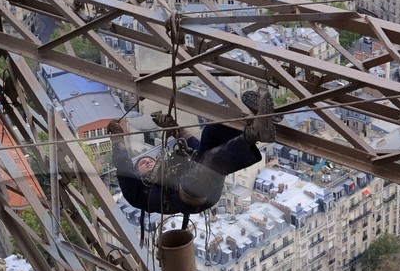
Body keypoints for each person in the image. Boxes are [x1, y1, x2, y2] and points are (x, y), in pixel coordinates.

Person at [107, 87, 276, 226]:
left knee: (210, 133)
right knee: (209, 161)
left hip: (199, 181)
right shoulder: (137, 193)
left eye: (149, 160)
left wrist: (174, 129)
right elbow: (123, 164)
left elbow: (197, 149)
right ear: (137, 174)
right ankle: (255, 131)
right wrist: (117, 138)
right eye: (142, 164)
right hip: (188, 195)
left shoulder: (172, 168)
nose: (146, 161)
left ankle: (248, 118)